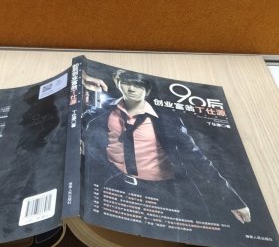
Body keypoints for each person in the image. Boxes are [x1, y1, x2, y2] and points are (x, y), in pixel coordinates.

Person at [82, 69, 251, 225]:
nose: (132, 88)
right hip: (116, 184)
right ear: (118, 82)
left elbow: (198, 158)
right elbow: (84, 130)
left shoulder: (166, 119)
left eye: (138, 84)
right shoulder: (102, 111)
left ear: (147, 90)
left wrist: (233, 200)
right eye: (126, 82)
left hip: (161, 190)